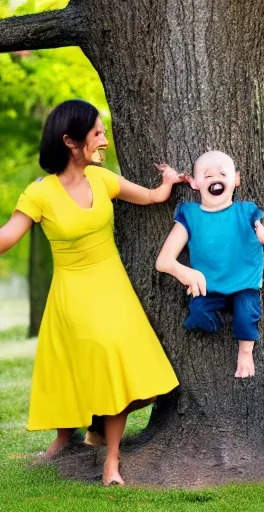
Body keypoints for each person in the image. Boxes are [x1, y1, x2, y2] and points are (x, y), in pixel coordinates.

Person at [0, 99, 183, 486]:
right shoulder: (39, 193)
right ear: (70, 141)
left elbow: (151, 197)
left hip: (112, 287)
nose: (103, 141)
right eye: (97, 133)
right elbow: (8, 237)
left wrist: (168, 183)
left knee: (114, 362)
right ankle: (64, 441)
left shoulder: (103, 180)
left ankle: (111, 459)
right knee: (73, 366)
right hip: (71, 292)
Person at [155, 150, 264, 378]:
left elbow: (261, 231)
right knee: (197, 315)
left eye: (222, 173)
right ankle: (216, 322)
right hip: (207, 286)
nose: (215, 178)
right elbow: (163, 261)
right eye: (207, 176)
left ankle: (245, 353)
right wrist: (183, 271)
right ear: (194, 183)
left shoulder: (245, 211)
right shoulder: (190, 215)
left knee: (246, 314)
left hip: (243, 282)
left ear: (236, 179)